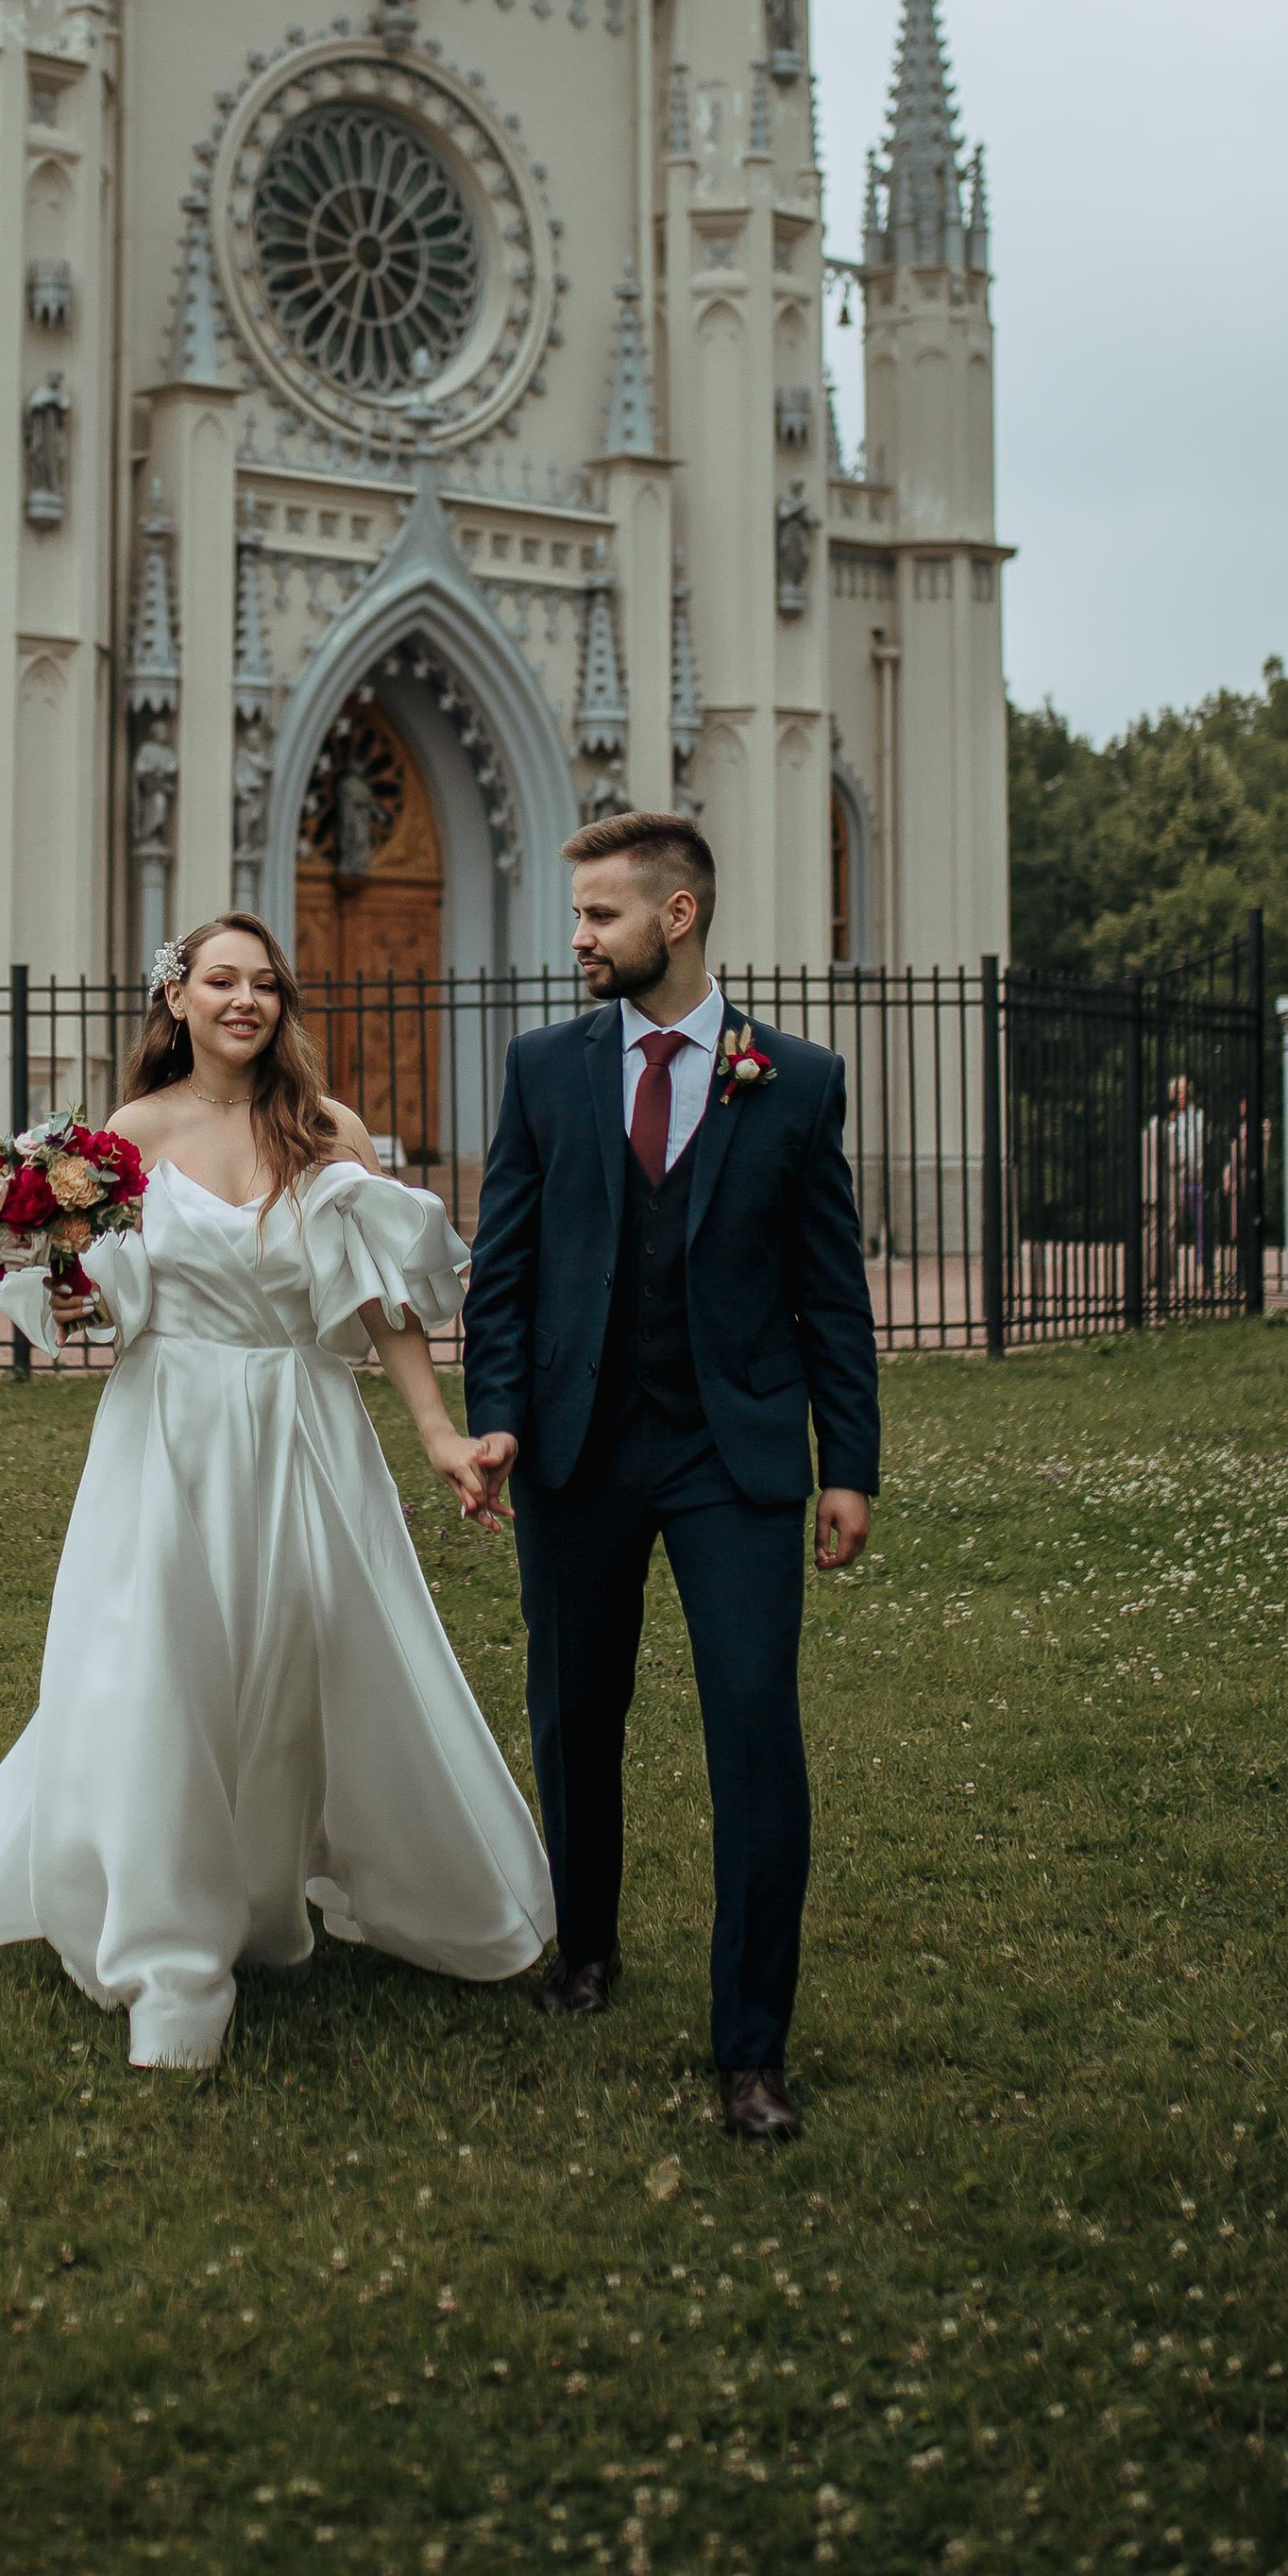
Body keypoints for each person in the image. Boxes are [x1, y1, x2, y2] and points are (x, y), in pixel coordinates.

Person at [0, 913, 551, 2070]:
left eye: (266, 985)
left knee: (288, 1672)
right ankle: (168, 1959)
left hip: (299, 1426)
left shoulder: (324, 1130)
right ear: (174, 999)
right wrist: (62, 1284)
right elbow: (102, 1304)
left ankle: (263, 1903)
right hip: (166, 1428)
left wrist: (437, 1430)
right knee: (156, 1672)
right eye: (221, 981)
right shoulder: (123, 1137)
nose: (246, 1002)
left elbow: (382, 1296)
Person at [460, 812, 879, 2144]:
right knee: (574, 1711)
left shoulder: (795, 1081)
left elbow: (833, 1294)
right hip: (577, 1449)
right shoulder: (543, 1069)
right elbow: (505, 1272)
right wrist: (498, 1423)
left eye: (599, 916)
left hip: (734, 1456)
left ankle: (751, 2048)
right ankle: (586, 1951)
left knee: (755, 1733)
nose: (577, 938)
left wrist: (847, 1467)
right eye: (579, 916)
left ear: (677, 917)